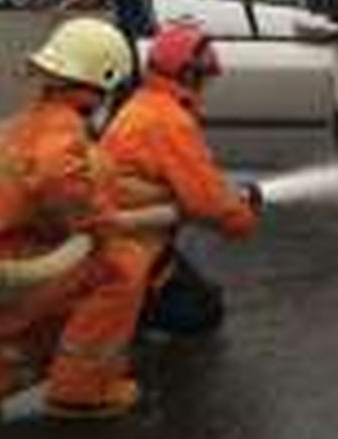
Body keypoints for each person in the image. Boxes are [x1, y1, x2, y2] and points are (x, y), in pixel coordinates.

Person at [0, 17, 144, 419]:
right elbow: (57, 176)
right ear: (103, 81)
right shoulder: (62, 129)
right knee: (122, 268)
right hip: (19, 271)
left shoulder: (36, 120)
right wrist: (99, 225)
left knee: (73, 321)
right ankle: (82, 392)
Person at [100, 21, 259, 337]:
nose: (206, 88)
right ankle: (130, 316)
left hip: (117, 239)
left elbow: (193, 184)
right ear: (188, 75)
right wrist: (245, 212)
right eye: (204, 78)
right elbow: (210, 204)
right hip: (126, 251)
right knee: (205, 309)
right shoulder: (170, 122)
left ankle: (131, 311)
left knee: (198, 290)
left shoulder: (144, 104)